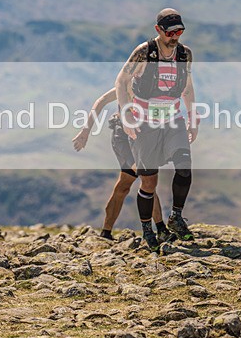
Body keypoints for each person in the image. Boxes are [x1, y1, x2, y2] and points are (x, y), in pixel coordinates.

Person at [115, 8, 198, 251]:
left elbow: (188, 87)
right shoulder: (144, 52)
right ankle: (147, 230)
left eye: (179, 31)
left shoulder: (184, 54)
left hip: (173, 119)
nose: (175, 37)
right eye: (170, 32)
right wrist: (126, 113)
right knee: (149, 181)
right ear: (158, 30)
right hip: (144, 122)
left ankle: (176, 216)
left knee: (184, 166)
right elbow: (121, 81)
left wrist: (192, 117)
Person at [72, 88, 174, 243]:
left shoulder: (156, 85)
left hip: (144, 136)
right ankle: (161, 229)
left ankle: (106, 232)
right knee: (147, 178)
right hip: (123, 137)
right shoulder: (128, 82)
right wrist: (85, 131)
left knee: (124, 185)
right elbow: (102, 101)